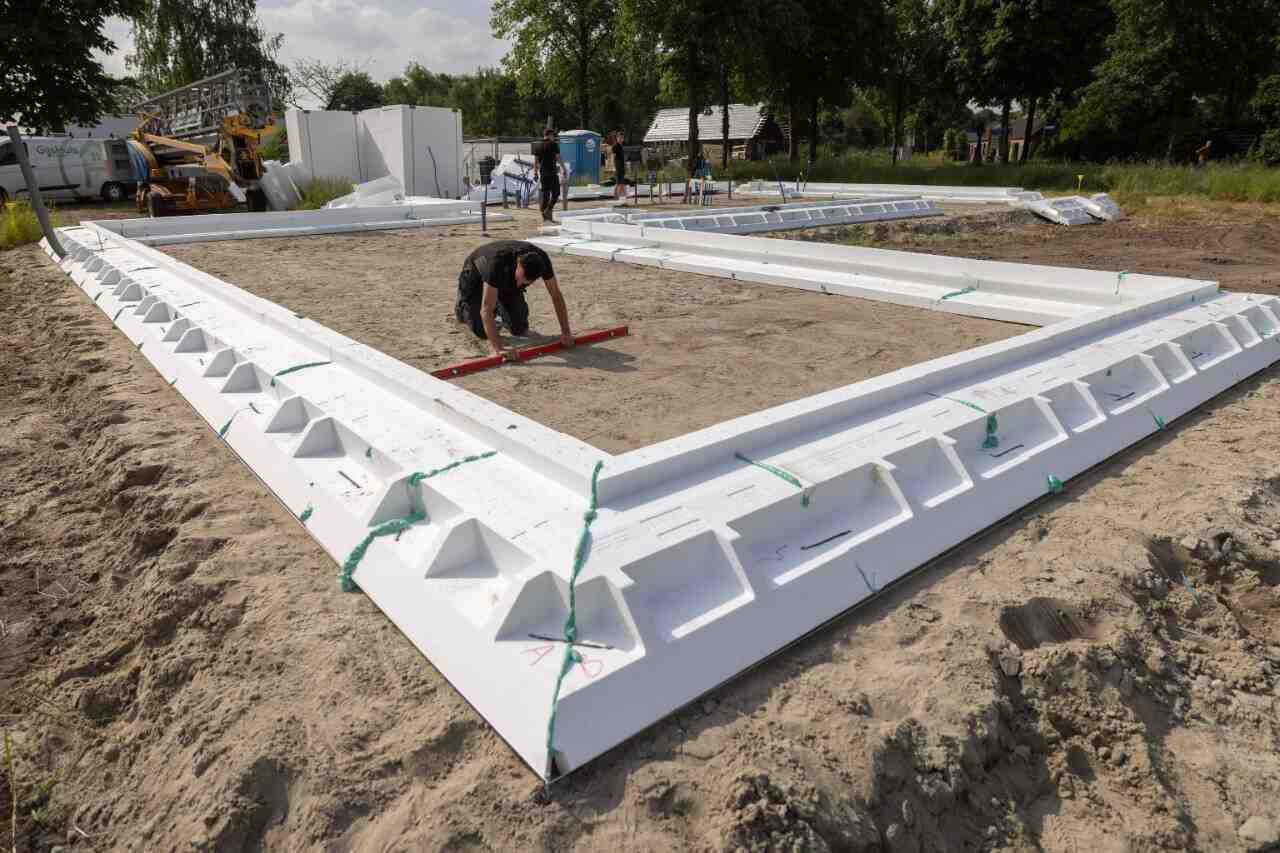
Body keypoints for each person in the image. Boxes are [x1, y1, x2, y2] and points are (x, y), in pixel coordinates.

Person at [454, 240, 574, 359]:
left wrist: (566, 332)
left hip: (505, 278)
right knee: (482, 331)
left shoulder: (542, 261)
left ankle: (498, 302)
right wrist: (499, 349)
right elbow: (486, 309)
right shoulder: (495, 264)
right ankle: (462, 308)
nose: (520, 284)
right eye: (520, 279)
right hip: (476, 274)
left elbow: (556, 295)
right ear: (518, 263)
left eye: (525, 282)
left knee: (519, 328)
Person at [533, 127, 563, 222]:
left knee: (546, 194)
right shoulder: (554, 144)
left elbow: (536, 161)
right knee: (556, 193)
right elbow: (558, 158)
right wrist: (564, 168)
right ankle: (548, 209)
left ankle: (544, 213)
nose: (553, 137)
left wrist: (535, 173)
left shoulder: (538, 146)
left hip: (543, 173)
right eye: (553, 135)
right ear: (550, 135)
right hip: (552, 172)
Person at [611, 130, 628, 201]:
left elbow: (622, 158)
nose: (621, 139)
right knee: (618, 183)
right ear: (617, 138)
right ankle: (616, 197)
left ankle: (622, 197)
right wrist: (613, 167)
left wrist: (625, 165)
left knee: (621, 183)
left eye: (622, 138)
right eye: (620, 138)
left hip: (622, 167)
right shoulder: (615, 146)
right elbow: (612, 157)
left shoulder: (621, 146)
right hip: (617, 167)